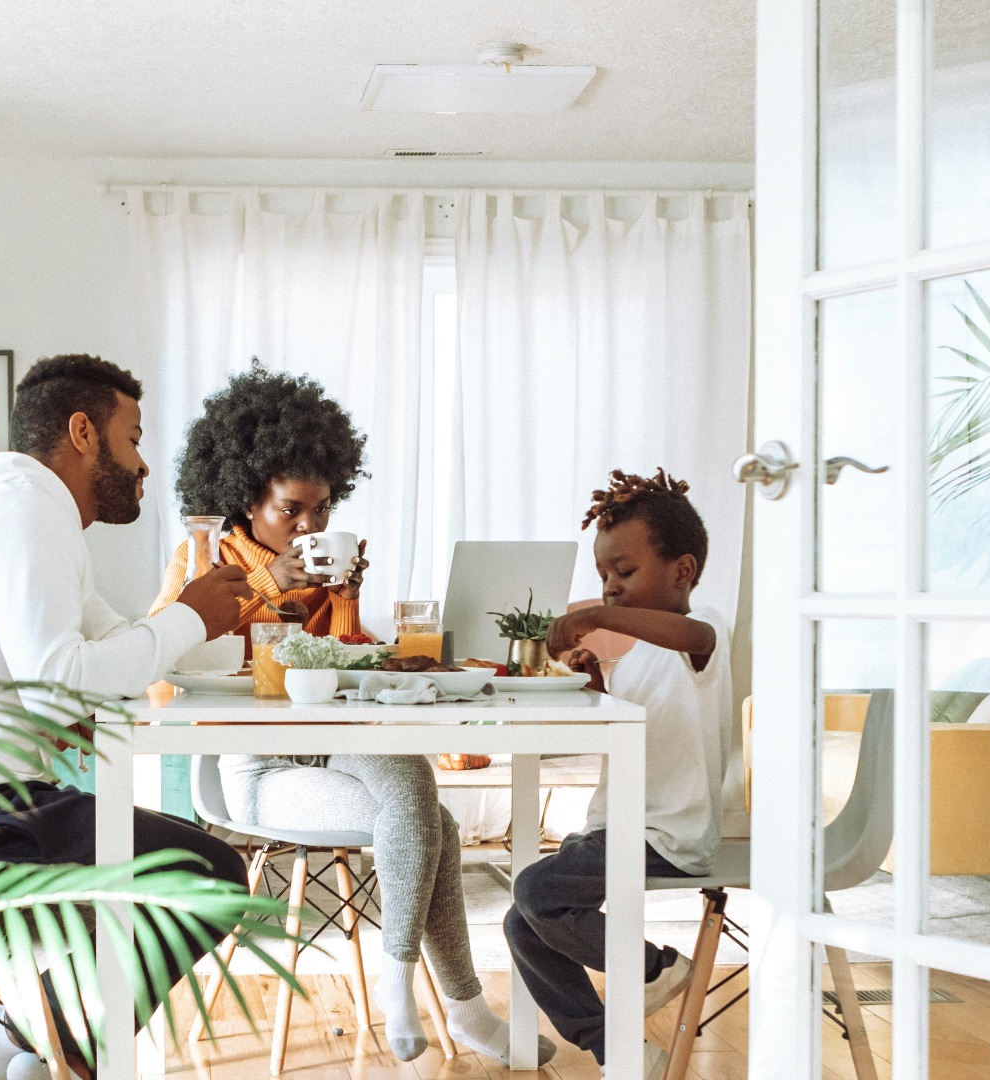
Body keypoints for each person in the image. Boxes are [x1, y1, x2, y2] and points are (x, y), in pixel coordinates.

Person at [148, 367, 553, 1066]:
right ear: (245, 496)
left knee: (413, 785)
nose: (310, 527)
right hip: (258, 766)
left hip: (334, 744)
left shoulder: (320, 563)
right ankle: (454, 1006)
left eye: (322, 509)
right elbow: (162, 675)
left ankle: (406, 985)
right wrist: (270, 584)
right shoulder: (204, 558)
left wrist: (345, 605)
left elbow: (336, 672)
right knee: (433, 820)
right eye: (291, 510)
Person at [0, 354, 256, 1077]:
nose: (143, 465)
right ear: (83, 432)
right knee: (209, 874)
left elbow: (104, 652)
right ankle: (51, 1047)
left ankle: (24, 1034)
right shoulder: (25, 508)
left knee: (202, 868)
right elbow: (64, 680)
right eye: (133, 439)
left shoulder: (27, 511)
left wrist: (183, 621)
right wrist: (190, 616)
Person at [501, 469, 730, 1078]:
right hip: (619, 828)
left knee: (535, 894)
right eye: (604, 575)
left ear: (682, 570)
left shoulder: (704, 629)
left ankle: (655, 968)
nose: (610, 587)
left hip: (668, 836)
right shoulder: (643, 654)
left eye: (624, 573)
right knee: (522, 924)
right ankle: (623, 1055)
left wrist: (600, 619)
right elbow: (633, 724)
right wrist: (597, 679)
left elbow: (693, 634)